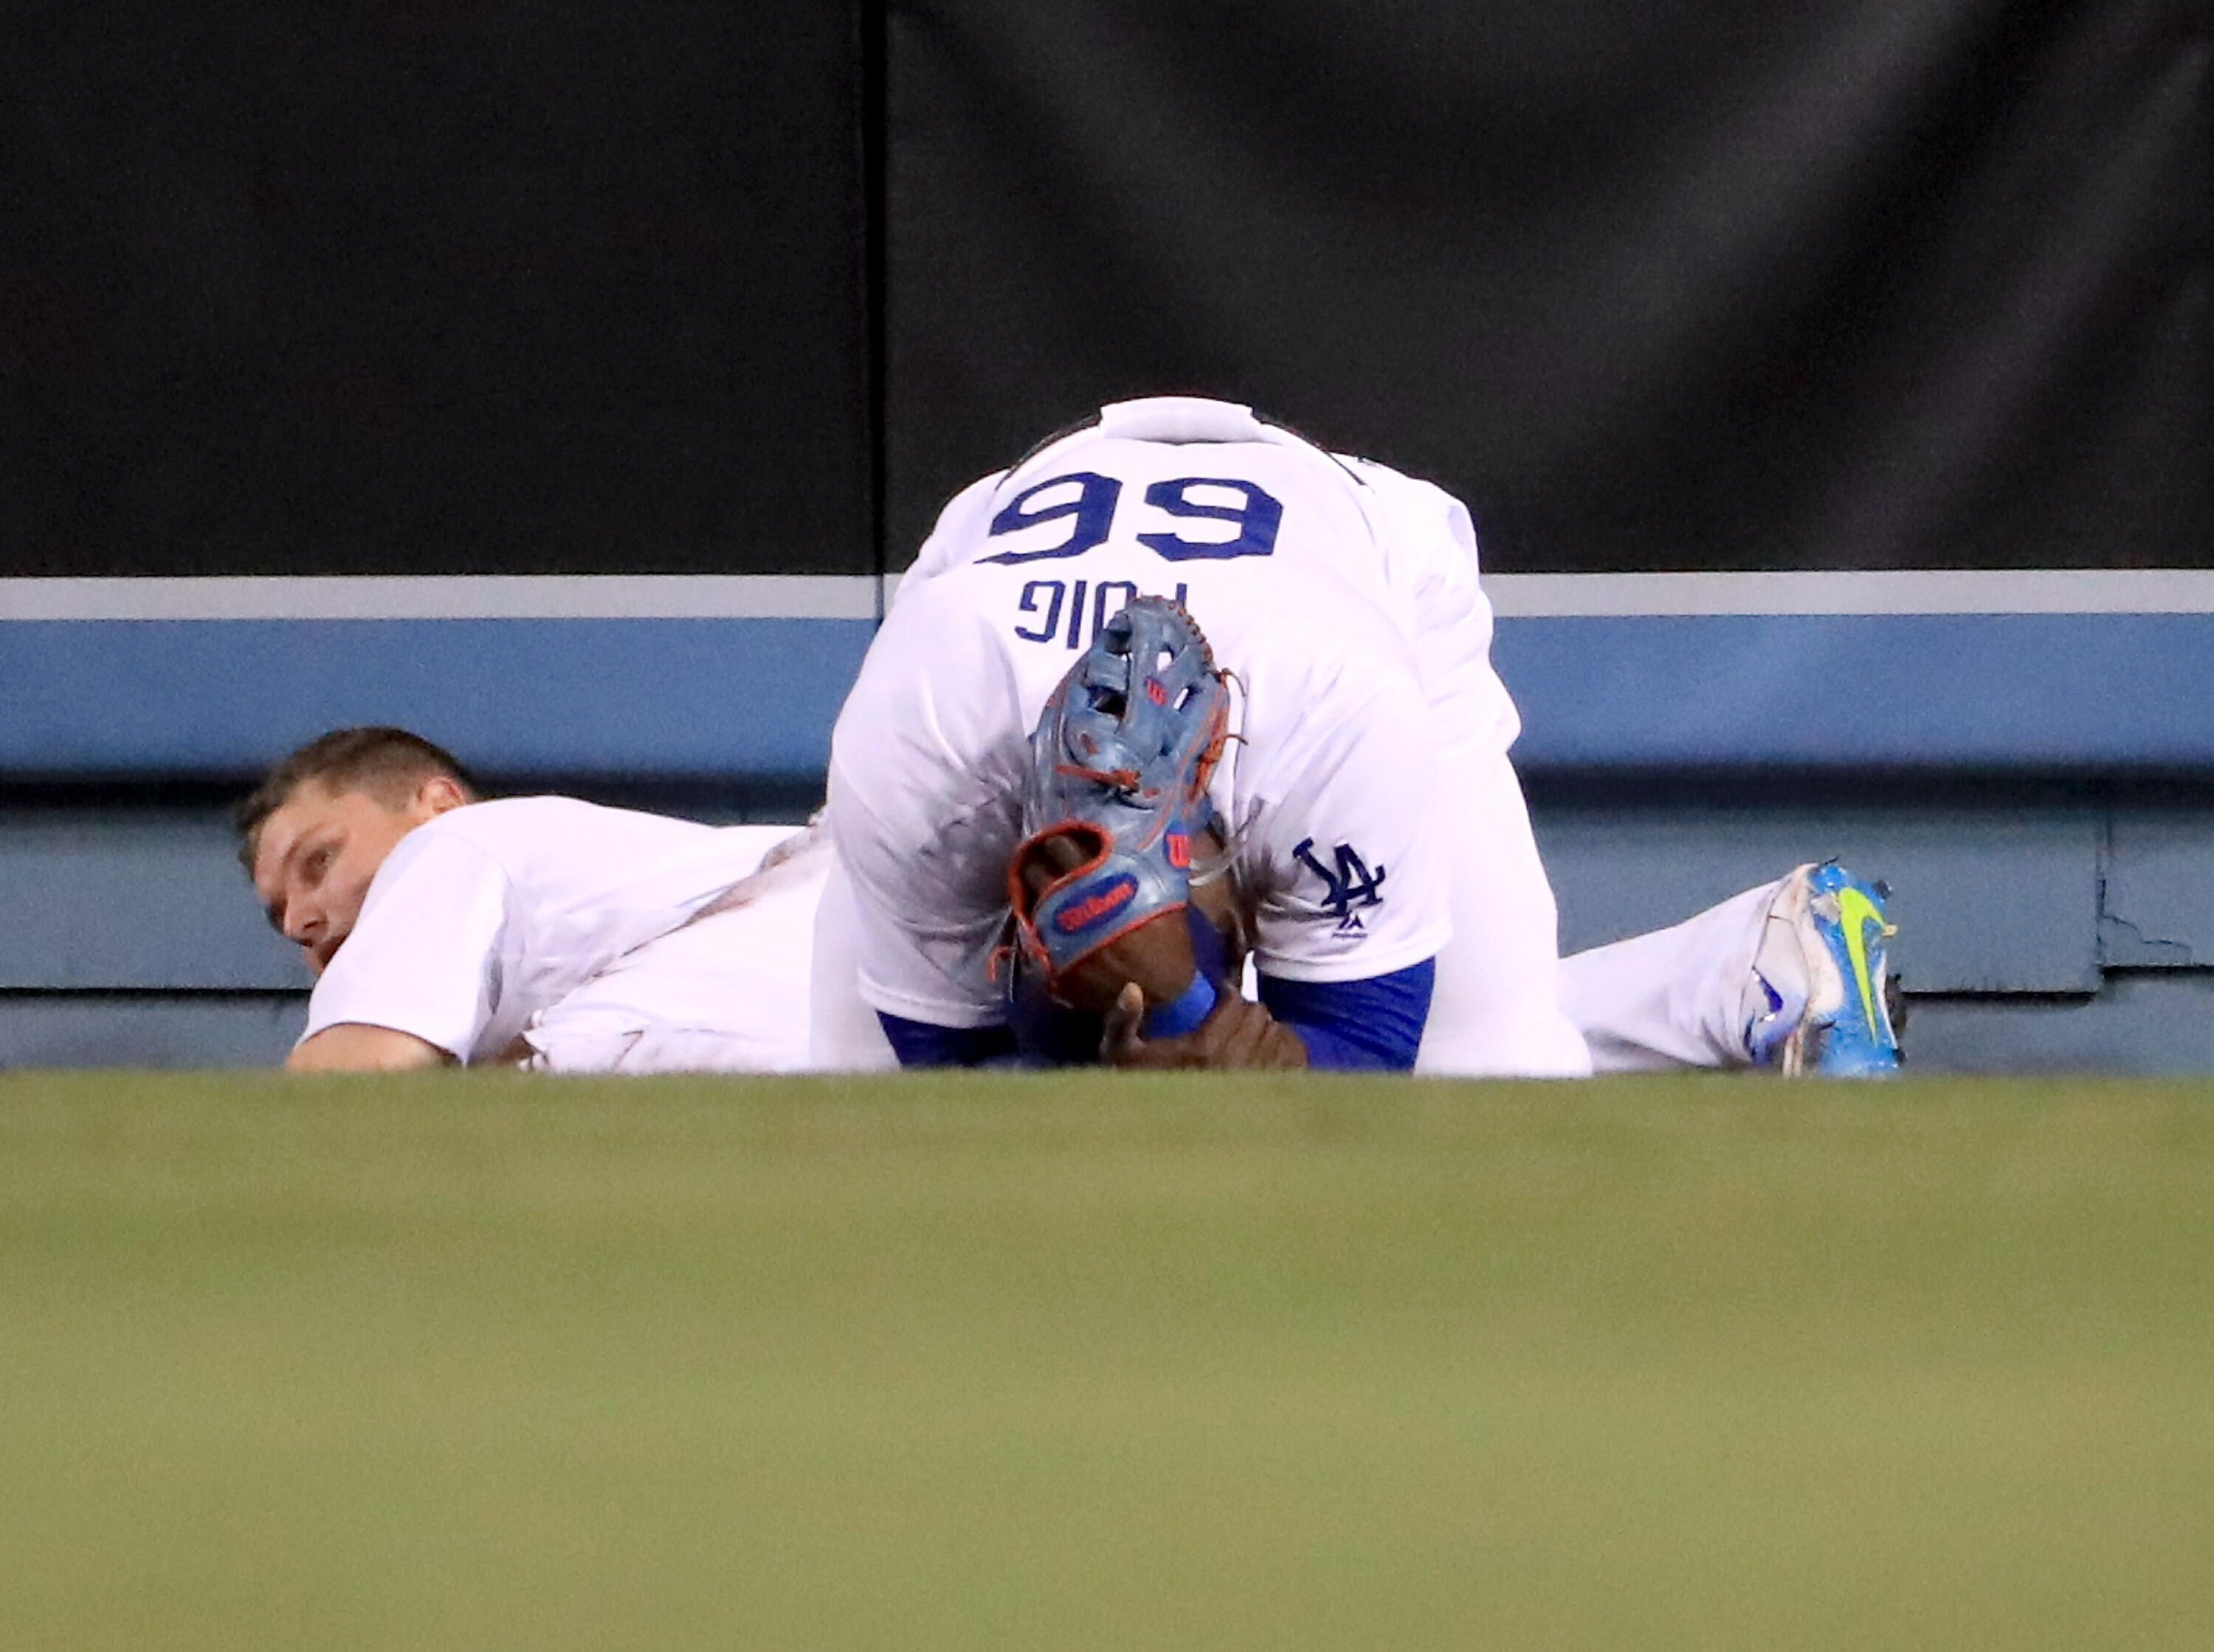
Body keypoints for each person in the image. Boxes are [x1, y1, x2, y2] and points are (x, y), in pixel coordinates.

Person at [813, 395, 1900, 1076]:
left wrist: (1234, 1042)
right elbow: (948, 1075)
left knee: (1494, 1075)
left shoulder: (1333, 715)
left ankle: (1756, 956)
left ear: (1220, 861)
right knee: (842, 1104)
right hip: (1000, 538)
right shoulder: (919, 759)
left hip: (1361, 559)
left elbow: (1373, 1045)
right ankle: (1740, 957)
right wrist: (1192, 1023)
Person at [238, 727, 825, 1073]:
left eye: (318, 860)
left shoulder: (453, 841)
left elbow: (348, 1081)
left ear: (438, 804)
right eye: (278, 916)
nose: (299, 921)